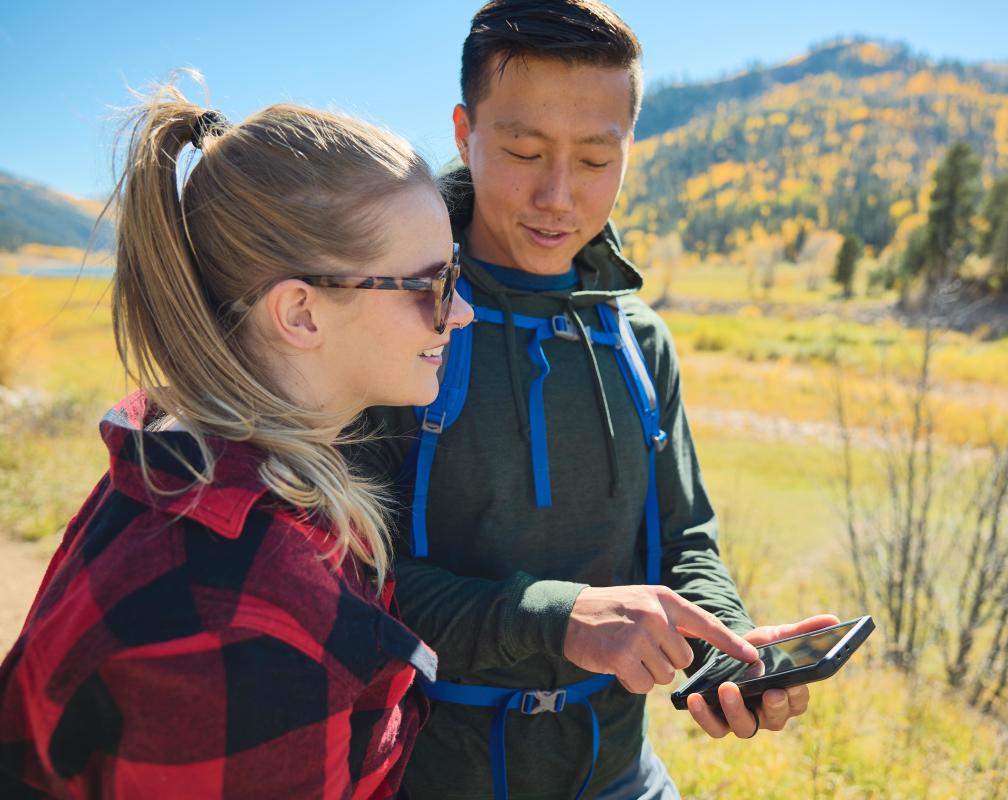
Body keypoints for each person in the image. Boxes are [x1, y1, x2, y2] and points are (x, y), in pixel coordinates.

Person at [351, 2, 839, 797]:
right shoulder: (393, 322)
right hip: (424, 776)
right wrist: (558, 618)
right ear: (463, 131)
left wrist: (724, 651)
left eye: (593, 160)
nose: (556, 195)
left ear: (628, 150)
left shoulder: (637, 342)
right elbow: (350, 581)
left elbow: (685, 541)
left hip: (618, 775)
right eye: (522, 149)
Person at [0, 83, 473, 797]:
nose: (460, 312)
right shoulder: (245, 622)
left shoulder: (178, 457)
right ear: (301, 314)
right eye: (432, 284)